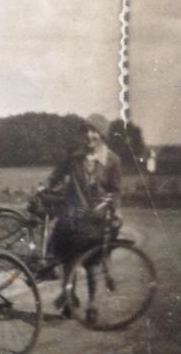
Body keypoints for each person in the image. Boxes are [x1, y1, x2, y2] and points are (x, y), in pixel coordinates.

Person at [44, 121, 122, 318]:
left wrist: (116, 210)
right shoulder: (74, 157)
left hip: (95, 218)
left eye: (94, 131)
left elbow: (116, 190)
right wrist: (49, 187)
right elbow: (56, 176)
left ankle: (92, 305)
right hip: (71, 217)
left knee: (92, 265)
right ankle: (69, 299)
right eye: (86, 132)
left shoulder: (112, 160)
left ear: (101, 135)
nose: (89, 136)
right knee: (68, 262)